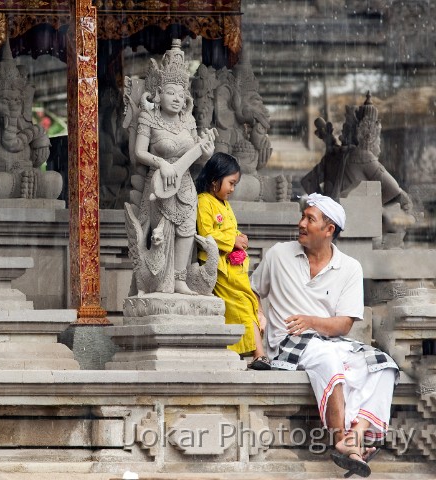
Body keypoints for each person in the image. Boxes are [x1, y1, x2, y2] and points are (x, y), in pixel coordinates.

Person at [250, 193, 399, 478]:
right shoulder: (278, 254)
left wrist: (311, 321)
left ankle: (356, 437)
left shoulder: (350, 268)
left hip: (330, 340)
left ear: (329, 230)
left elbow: (344, 324)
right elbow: (251, 291)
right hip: (287, 344)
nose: (301, 223)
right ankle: (340, 438)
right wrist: (258, 313)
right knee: (328, 359)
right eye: (303, 216)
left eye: (310, 219)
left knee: (384, 365)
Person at [130, 40, 214, 295]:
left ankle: (179, 279)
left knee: (187, 227)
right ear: (158, 94)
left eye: (180, 93)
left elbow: (195, 155)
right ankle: (159, 281)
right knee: (163, 231)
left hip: (185, 183)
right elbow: (138, 153)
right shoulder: (149, 118)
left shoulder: (187, 120)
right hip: (159, 184)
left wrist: (206, 154)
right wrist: (161, 163)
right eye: (170, 92)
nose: (177, 98)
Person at [195, 153, 270, 369]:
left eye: (235, 184)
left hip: (234, 266)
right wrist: (232, 240)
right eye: (231, 183)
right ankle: (259, 354)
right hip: (219, 268)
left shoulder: (224, 204)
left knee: (250, 302)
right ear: (214, 179)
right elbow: (206, 234)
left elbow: (229, 229)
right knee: (244, 304)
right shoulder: (203, 202)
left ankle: (253, 354)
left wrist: (239, 237)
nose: (232, 189)